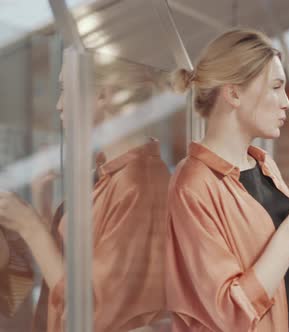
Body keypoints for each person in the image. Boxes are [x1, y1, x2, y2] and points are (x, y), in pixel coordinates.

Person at [166, 28, 289, 332]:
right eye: (276, 87)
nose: (286, 102)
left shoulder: (264, 165)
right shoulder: (193, 185)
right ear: (234, 92)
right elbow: (229, 311)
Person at [0, 54, 171, 332]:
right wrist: (42, 220)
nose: (58, 105)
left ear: (103, 95)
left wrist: (30, 226)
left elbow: (93, 314)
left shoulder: (137, 185)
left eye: (65, 89)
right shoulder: (108, 177)